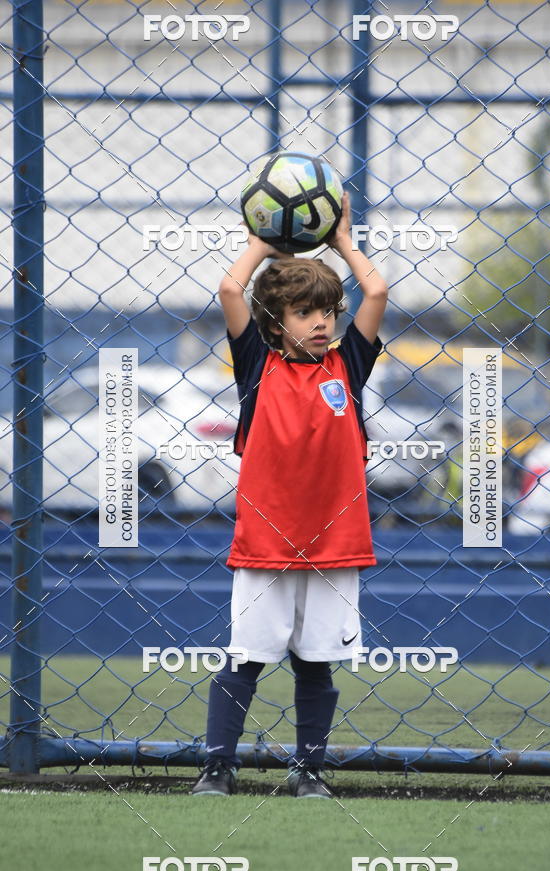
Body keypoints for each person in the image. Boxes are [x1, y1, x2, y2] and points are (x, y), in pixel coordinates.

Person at [192, 192, 388, 798]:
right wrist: (261, 244)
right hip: (266, 545)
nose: (322, 322)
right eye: (306, 313)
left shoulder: (347, 366)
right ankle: (218, 768)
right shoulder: (258, 365)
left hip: (335, 546)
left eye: (328, 310)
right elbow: (231, 290)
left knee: (315, 664)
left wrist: (344, 243)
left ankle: (308, 772)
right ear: (277, 324)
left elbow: (377, 292)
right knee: (245, 659)